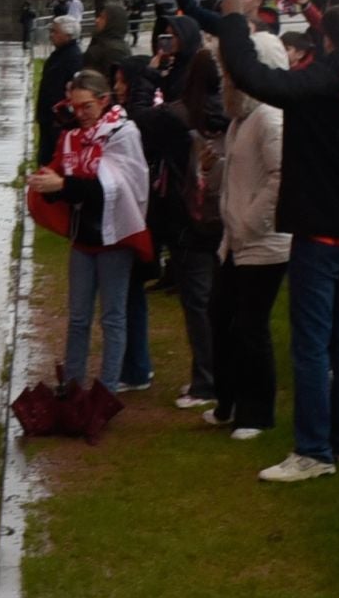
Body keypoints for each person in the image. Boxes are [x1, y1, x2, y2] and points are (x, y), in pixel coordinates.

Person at [184, 0, 339, 481]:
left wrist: (233, 20)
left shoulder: (317, 83)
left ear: (326, 42)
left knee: (311, 347)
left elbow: (254, 76)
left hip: (321, 233)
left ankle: (313, 451)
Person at [28, 70, 151, 392]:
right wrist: (47, 186)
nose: (80, 114)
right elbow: (65, 182)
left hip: (116, 239)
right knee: (78, 317)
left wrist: (62, 185)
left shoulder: (123, 134)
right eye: (75, 107)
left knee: (112, 317)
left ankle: (106, 390)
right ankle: (72, 384)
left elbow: (115, 189)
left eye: (87, 107)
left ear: (104, 100)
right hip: (83, 238)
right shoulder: (71, 137)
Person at [209, 32, 292, 439]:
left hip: (263, 243)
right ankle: (228, 401)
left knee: (249, 326)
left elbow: (281, 177)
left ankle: (256, 412)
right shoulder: (243, 116)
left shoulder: (270, 117)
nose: (227, 79)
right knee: (221, 316)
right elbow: (242, 172)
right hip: (236, 240)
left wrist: (250, 222)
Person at [137, 49, 227, 410]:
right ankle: (220, 375)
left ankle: (206, 381)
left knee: (197, 302)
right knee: (218, 301)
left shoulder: (175, 115)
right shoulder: (233, 114)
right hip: (226, 216)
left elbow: (138, 120)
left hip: (188, 219)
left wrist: (150, 76)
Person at [111, 58, 164, 392]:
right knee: (131, 294)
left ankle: (135, 368)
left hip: (138, 217)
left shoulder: (137, 123)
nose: (116, 87)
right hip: (140, 215)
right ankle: (137, 364)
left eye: (121, 81)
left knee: (128, 294)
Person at [35, 16, 82, 168]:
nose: (51, 35)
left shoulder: (73, 58)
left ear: (68, 35)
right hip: (49, 120)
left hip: (57, 122)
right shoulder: (59, 55)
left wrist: (60, 118)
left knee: (52, 161)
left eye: (55, 32)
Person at [79, 1, 134, 78]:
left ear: (113, 22)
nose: (97, 20)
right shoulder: (100, 41)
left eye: (102, 18)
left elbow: (113, 80)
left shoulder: (116, 51)